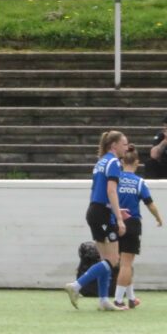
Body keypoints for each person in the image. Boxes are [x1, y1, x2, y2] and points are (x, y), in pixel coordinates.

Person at [64, 130, 131, 312]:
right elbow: (111, 191)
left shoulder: (101, 162)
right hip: (101, 213)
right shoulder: (114, 162)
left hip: (95, 210)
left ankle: (103, 300)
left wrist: (113, 209)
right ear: (114, 145)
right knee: (114, 260)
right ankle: (77, 285)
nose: (127, 147)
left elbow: (99, 191)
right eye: (124, 144)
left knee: (105, 259)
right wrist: (119, 218)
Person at [114, 144, 162, 308]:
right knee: (127, 264)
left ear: (122, 161)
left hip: (115, 220)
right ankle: (119, 300)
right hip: (132, 222)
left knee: (123, 263)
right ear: (137, 162)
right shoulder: (139, 182)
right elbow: (150, 204)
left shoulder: (115, 179)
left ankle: (132, 298)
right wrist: (159, 218)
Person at [143, 114, 167, 179]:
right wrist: (165, 140)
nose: (165, 128)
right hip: (164, 165)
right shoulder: (161, 135)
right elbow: (153, 155)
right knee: (150, 163)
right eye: (165, 126)